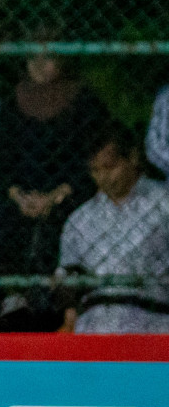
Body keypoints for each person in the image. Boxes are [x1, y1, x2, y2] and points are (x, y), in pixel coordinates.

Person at [0, 50, 111, 332]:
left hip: (68, 193)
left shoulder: (84, 102)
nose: (38, 63)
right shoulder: (14, 101)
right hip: (20, 195)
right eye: (32, 55)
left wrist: (57, 194)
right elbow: (1, 160)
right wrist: (16, 193)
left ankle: (67, 316)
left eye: (47, 56)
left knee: (66, 231)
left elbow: (94, 158)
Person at [57, 123, 169, 334]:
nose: (104, 178)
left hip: (154, 319)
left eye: (110, 167)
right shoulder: (80, 219)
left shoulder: (164, 205)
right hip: (95, 323)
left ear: (133, 158)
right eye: (95, 170)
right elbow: (68, 289)